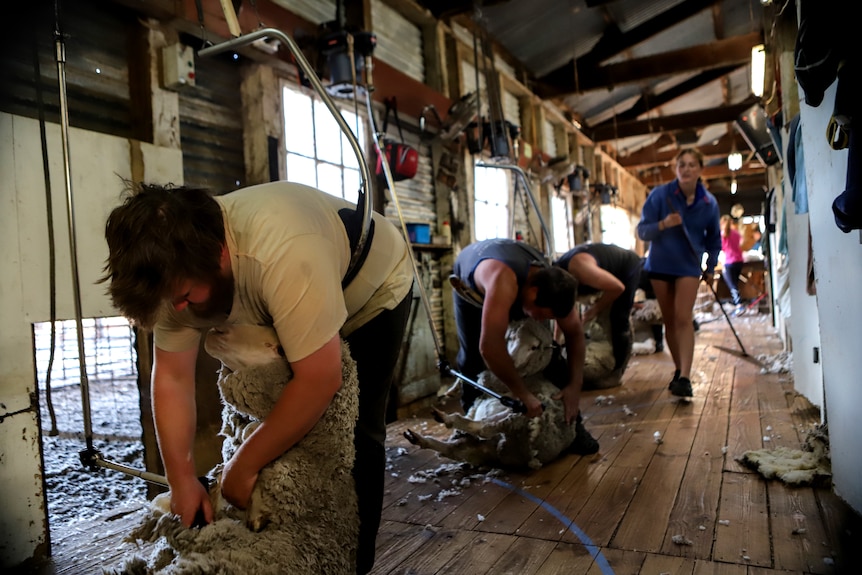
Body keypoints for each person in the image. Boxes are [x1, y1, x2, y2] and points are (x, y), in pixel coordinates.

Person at [100, 180, 414, 575]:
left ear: (216, 256)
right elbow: (173, 381)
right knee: (269, 419)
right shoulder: (173, 270)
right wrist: (180, 480)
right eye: (173, 302)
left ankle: (350, 561)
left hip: (369, 287)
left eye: (185, 298)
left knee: (355, 429)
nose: (178, 309)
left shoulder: (281, 250)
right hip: (294, 288)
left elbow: (319, 378)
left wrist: (243, 466)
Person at [450, 238, 599, 454]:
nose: (539, 320)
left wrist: (575, 385)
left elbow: (575, 335)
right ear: (533, 291)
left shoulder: (556, 285)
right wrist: (522, 393)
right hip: (469, 286)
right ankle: (468, 432)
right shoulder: (503, 280)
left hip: (513, 275)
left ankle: (574, 426)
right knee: (471, 358)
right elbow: (489, 348)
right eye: (540, 314)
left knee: (549, 351)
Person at [636, 148, 721, 397]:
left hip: (688, 266)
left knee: (684, 318)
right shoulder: (660, 196)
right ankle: (678, 370)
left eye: (692, 164)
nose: (686, 169)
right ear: (676, 169)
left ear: (700, 169)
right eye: (681, 164)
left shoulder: (708, 203)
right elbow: (641, 232)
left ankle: (685, 376)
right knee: (670, 321)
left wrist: (711, 266)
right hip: (660, 265)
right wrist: (663, 224)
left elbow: (714, 239)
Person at [553, 243, 643, 375]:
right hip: (602, 272)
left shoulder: (580, 269)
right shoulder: (559, 280)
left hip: (627, 267)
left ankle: (616, 370)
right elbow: (562, 310)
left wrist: (593, 310)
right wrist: (556, 341)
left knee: (618, 317)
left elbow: (618, 288)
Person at [720, 214, 745, 314]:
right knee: (735, 283)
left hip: (729, 262)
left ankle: (739, 305)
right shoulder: (736, 233)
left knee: (732, 285)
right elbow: (740, 244)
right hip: (739, 261)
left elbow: (721, 248)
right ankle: (738, 304)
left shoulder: (723, 235)